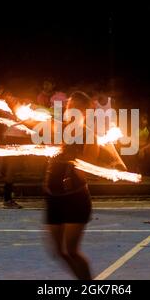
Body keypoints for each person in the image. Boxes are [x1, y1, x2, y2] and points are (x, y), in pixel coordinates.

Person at [44, 91, 100, 280]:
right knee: (59, 251)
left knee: (72, 251)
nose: (70, 110)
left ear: (84, 111)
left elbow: (85, 170)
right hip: (53, 197)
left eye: (76, 107)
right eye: (69, 107)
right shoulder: (58, 131)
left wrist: (70, 153)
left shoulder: (89, 136)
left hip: (75, 198)